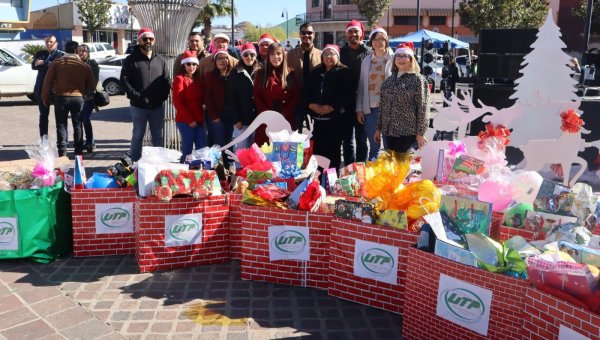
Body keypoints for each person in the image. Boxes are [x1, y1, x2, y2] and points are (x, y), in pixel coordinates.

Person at [120, 27, 171, 162]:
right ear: (139, 40)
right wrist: (136, 96)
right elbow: (124, 81)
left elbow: (166, 81)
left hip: (157, 106)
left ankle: (158, 162)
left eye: (150, 39)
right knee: (138, 135)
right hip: (138, 106)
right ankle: (136, 164)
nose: (148, 41)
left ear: (154, 41)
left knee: (157, 136)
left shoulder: (160, 60)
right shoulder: (131, 60)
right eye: (145, 39)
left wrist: (162, 97)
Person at [41, 40, 95, 156]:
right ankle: (78, 152)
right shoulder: (83, 65)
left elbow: (47, 82)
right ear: (76, 51)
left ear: (65, 50)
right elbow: (92, 84)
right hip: (78, 98)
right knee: (78, 124)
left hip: (61, 98)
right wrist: (86, 94)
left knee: (61, 125)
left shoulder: (56, 63)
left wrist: (44, 98)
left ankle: (62, 152)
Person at [375, 43, 430, 153]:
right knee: (390, 165)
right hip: (388, 131)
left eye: (405, 56)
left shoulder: (418, 80)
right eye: (398, 56)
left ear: (411, 59)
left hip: (407, 131)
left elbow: (423, 108)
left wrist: (421, 133)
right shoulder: (389, 80)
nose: (401, 59)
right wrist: (378, 128)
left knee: (401, 165)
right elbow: (382, 106)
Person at [305, 44, 353, 171]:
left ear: (337, 56)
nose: (328, 57)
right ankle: (318, 179)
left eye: (332, 54)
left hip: (335, 120)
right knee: (318, 151)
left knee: (333, 151)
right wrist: (311, 104)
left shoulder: (345, 72)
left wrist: (332, 107)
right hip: (317, 120)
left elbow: (348, 95)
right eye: (326, 54)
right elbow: (306, 92)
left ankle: (331, 178)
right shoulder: (315, 72)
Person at [356, 26, 394, 161]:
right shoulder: (366, 60)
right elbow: (361, 85)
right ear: (371, 42)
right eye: (375, 39)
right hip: (370, 109)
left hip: (390, 109)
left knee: (390, 147)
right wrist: (359, 109)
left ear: (386, 41)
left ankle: (391, 176)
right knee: (374, 145)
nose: (379, 42)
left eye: (382, 39)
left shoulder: (395, 58)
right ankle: (373, 174)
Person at [253, 42, 300, 146]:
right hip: (266, 120)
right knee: (265, 153)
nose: (276, 57)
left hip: (286, 119)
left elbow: (295, 97)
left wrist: (284, 113)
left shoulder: (291, 73)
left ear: (283, 55)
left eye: (278, 54)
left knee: (285, 154)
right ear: (268, 56)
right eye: (272, 54)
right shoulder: (261, 73)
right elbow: (257, 96)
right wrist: (268, 115)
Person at [340, 19, 371, 164]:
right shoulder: (340, 53)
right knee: (347, 140)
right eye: (350, 31)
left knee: (361, 139)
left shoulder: (369, 53)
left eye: (356, 31)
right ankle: (349, 169)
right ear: (347, 35)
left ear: (361, 33)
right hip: (345, 103)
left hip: (363, 102)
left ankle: (361, 170)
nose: (353, 34)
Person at [287, 22, 322, 132]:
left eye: (309, 33)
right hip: (296, 101)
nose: (306, 35)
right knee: (295, 133)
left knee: (315, 134)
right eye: (303, 33)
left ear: (314, 35)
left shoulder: (322, 55)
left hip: (315, 102)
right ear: (299, 35)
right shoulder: (290, 55)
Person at [226, 43, 261, 151]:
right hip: (242, 119)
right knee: (242, 150)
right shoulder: (235, 73)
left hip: (257, 118)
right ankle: (240, 168)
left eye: (252, 54)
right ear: (241, 56)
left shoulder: (261, 71)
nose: (249, 57)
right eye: (246, 55)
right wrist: (236, 119)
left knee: (256, 150)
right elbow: (231, 98)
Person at [172, 50, 205, 163]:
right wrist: (189, 119)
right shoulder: (179, 79)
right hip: (185, 121)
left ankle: (199, 174)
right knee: (187, 149)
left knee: (201, 148)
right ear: (184, 65)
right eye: (189, 64)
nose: (191, 66)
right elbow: (178, 102)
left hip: (199, 119)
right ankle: (183, 174)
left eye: (194, 64)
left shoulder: (197, 80)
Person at [203, 49, 234, 166]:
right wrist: (214, 116)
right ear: (215, 61)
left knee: (229, 142)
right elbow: (208, 98)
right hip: (215, 115)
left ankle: (228, 169)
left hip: (230, 115)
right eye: (219, 58)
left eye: (224, 58)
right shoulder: (209, 76)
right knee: (219, 143)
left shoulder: (233, 75)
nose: (222, 61)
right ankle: (219, 169)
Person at [32, 35, 65, 138]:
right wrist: (47, 63)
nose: (49, 44)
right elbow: (34, 65)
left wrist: (44, 63)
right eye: (47, 42)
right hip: (41, 90)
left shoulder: (61, 55)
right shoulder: (41, 53)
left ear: (56, 43)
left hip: (55, 91)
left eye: (51, 42)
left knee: (60, 118)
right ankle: (44, 140)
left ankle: (63, 141)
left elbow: (58, 66)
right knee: (43, 117)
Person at [76, 44, 100, 153]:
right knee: (78, 120)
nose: (82, 53)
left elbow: (94, 80)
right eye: (80, 51)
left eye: (84, 51)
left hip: (88, 97)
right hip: (76, 97)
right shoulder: (75, 63)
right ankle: (80, 142)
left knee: (85, 118)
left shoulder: (92, 63)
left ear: (88, 52)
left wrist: (88, 94)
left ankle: (90, 141)